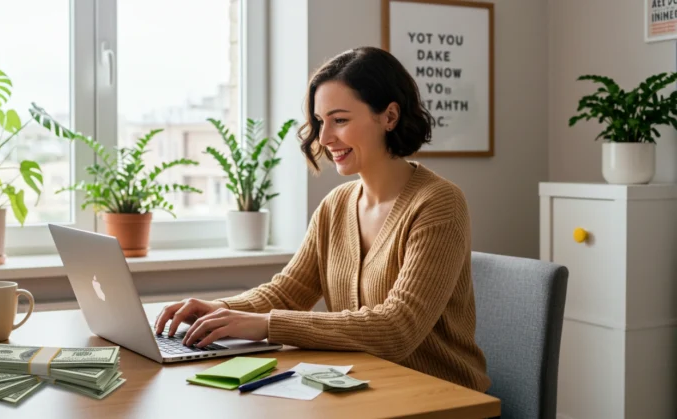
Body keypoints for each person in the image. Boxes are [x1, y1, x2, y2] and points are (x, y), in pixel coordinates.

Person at [154, 46, 491, 392]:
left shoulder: (438, 204)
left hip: (442, 397)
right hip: (367, 390)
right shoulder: (336, 205)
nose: (325, 137)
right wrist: (219, 310)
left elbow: (397, 329)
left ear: (389, 116)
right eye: (320, 121)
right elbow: (288, 292)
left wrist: (265, 325)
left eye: (340, 120)